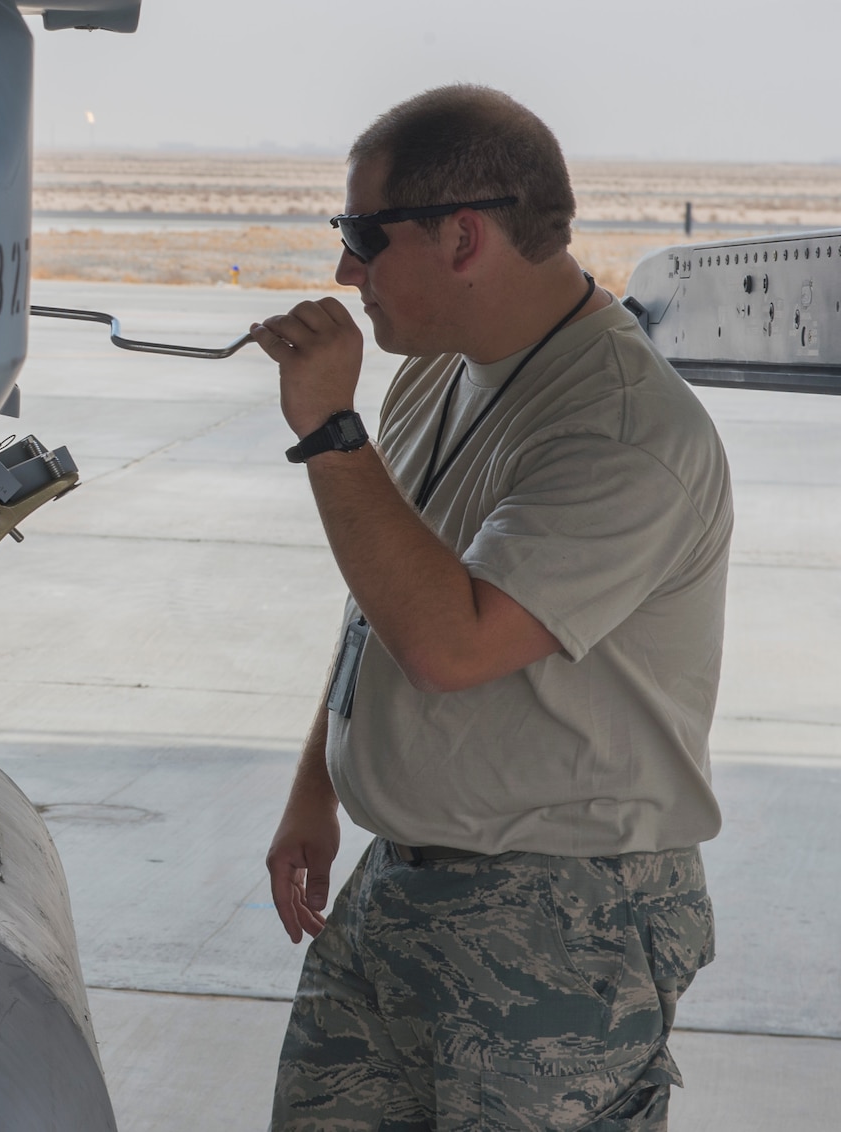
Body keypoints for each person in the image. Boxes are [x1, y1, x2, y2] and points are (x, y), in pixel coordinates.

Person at [252, 86, 730, 1130]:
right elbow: (381, 598)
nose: (343, 272)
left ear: (460, 235)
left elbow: (450, 643)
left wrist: (330, 432)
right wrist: (317, 783)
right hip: (400, 886)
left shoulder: (620, 430)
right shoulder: (436, 378)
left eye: (361, 237)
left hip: (561, 921)